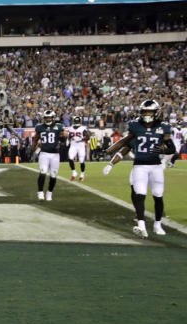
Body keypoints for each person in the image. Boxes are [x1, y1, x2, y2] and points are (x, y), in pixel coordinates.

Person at [103, 99, 175, 238]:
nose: (147, 114)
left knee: (158, 196)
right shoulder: (135, 126)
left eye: (150, 111)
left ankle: (157, 224)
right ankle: (141, 225)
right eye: (145, 111)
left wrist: (161, 151)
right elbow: (125, 143)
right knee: (140, 195)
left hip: (156, 167)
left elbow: (172, 148)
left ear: (156, 112)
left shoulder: (163, 127)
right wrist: (111, 154)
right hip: (140, 166)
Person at [31, 109, 66, 201]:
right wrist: (34, 147)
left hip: (55, 154)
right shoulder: (40, 127)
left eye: (50, 117)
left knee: (53, 175)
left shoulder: (59, 127)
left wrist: (63, 137)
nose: (48, 119)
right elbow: (35, 138)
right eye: (46, 118)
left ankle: (49, 192)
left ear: (53, 117)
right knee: (43, 172)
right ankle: (40, 192)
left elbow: (63, 139)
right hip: (44, 153)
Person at [66, 114, 90, 181]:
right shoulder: (70, 128)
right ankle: (74, 172)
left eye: (77, 121)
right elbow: (70, 136)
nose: (76, 123)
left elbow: (88, 136)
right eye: (75, 121)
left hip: (81, 145)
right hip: (73, 144)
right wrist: (69, 139)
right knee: (70, 157)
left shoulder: (83, 128)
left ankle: (82, 173)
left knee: (81, 161)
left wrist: (81, 139)